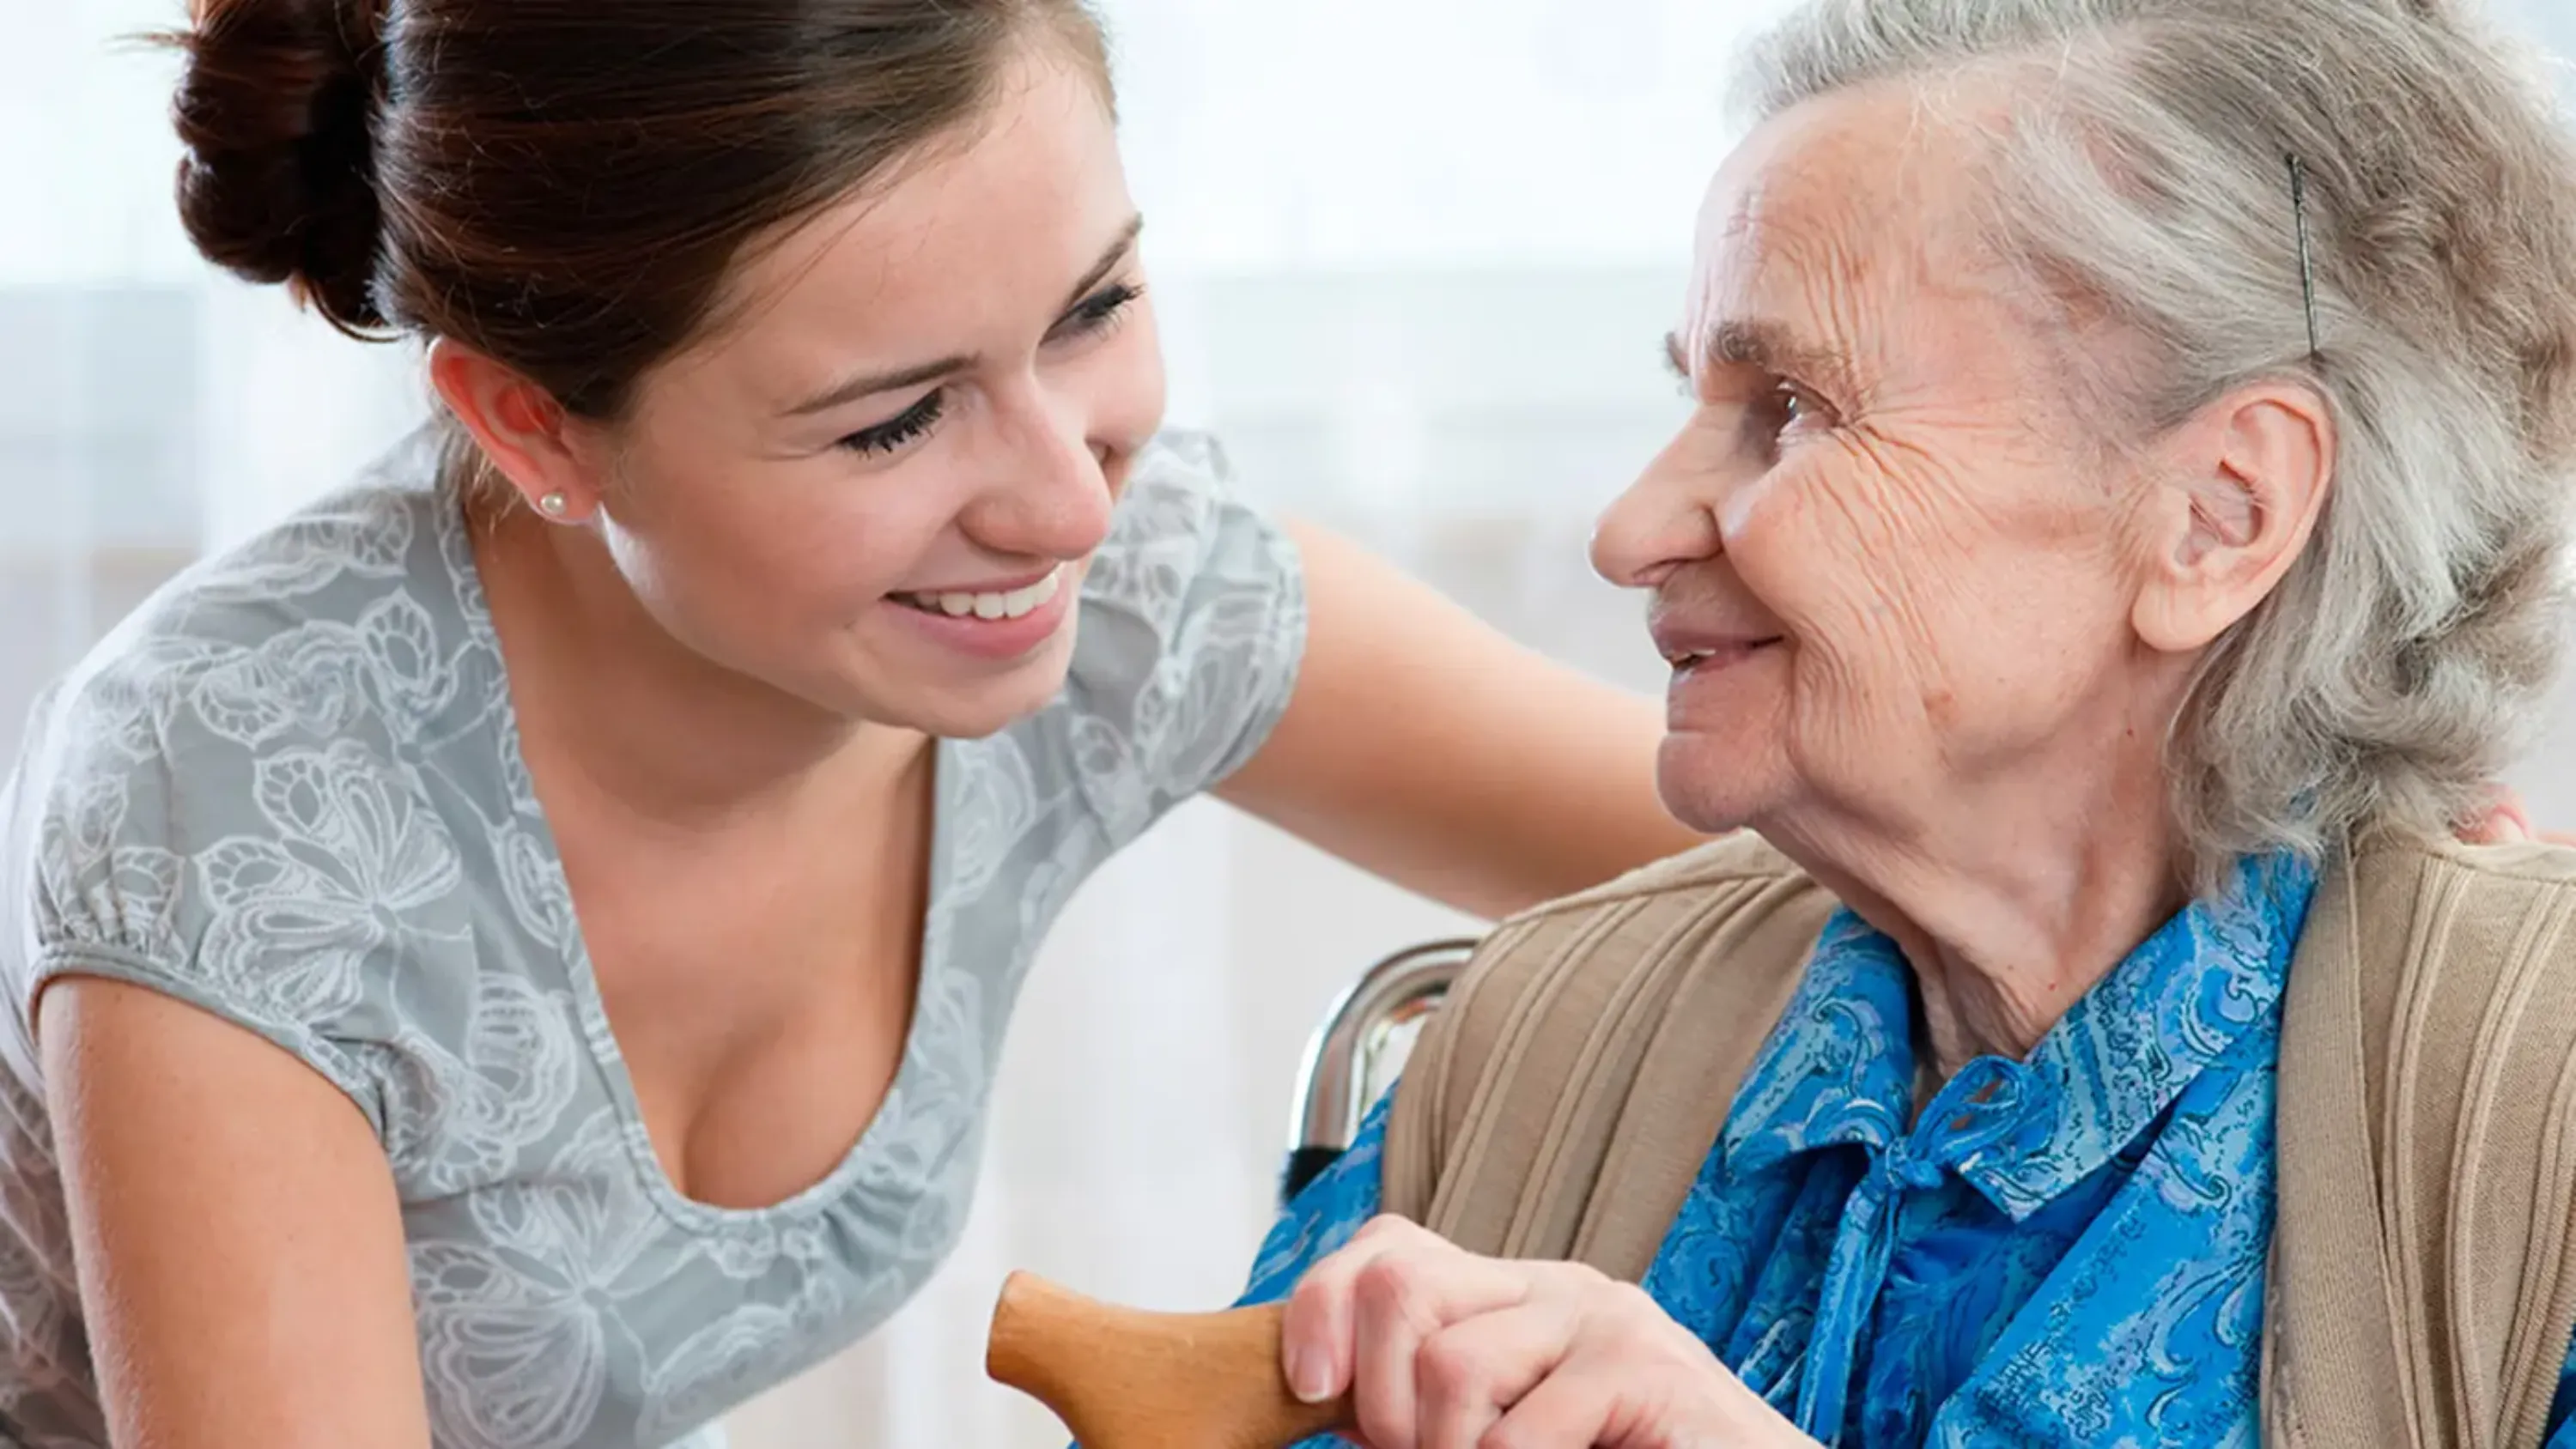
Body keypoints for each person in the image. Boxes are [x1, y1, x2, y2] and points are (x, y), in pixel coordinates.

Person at [0, 1, 1710, 1445]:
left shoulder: (1126, 595)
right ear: (536, 428)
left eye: (1094, 309)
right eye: (894, 425)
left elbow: (1809, 845)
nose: (1063, 503)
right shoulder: (232, 792)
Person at [1234, 0, 2576, 1444]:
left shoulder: (2536, 1108)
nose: (1629, 533)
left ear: (2217, 515)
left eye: (1793, 407)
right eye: (1694, 396)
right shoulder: (1537, 1038)